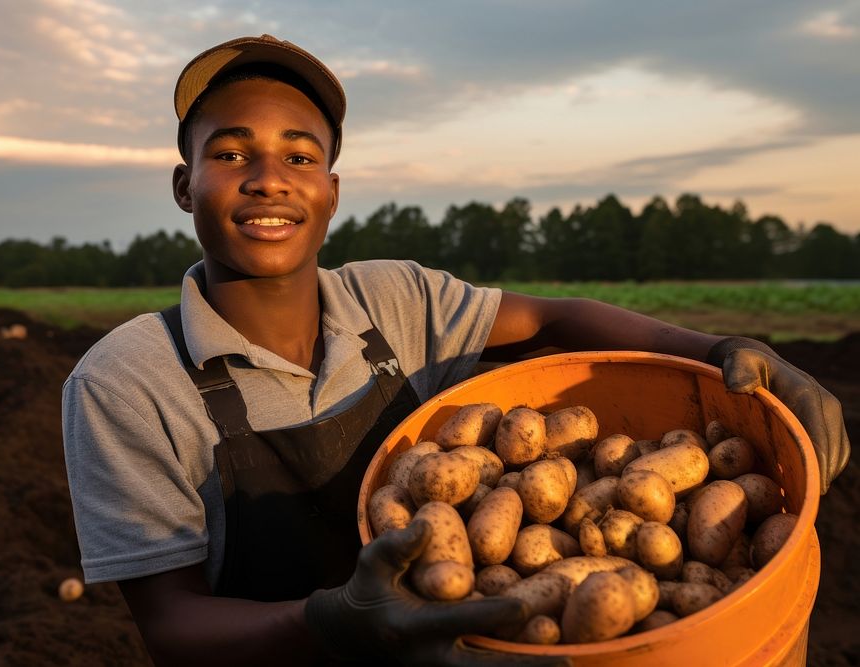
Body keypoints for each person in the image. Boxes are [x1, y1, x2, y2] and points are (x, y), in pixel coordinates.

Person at [62, 35, 850, 666]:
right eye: (232, 153)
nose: (270, 179)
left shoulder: (393, 299)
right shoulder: (126, 381)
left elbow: (552, 321)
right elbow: (172, 626)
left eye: (300, 156)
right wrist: (331, 621)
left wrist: (719, 346)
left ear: (331, 191)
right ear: (183, 183)